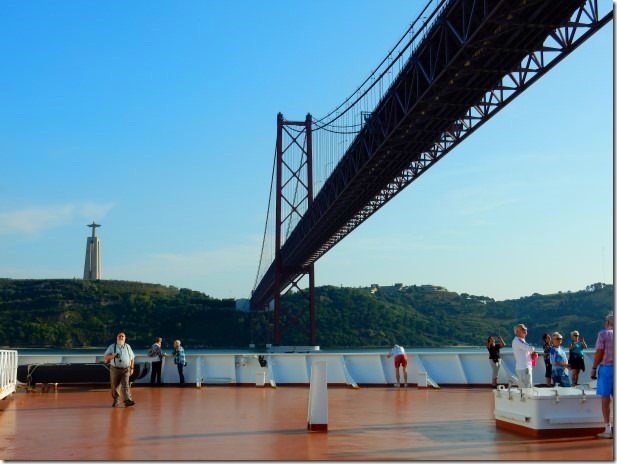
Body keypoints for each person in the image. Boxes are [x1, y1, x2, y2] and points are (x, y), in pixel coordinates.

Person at [591, 312, 613, 439]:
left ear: (607, 322)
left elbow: (599, 352)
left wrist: (594, 367)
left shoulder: (603, 334)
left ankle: (608, 429)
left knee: (605, 399)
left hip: (607, 368)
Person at [103, 331, 136, 408]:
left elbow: (132, 358)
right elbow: (105, 358)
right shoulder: (112, 347)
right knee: (115, 386)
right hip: (115, 369)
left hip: (126, 369)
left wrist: (132, 368)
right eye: (119, 336)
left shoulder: (128, 346)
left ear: (125, 338)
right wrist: (113, 356)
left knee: (126, 385)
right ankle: (116, 400)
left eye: (122, 336)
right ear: (117, 338)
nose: (121, 337)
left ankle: (128, 400)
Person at [512, 323, 535, 388]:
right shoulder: (517, 340)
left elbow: (527, 350)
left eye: (525, 329)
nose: (525, 330)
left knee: (525, 388)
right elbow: (530, 348)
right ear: (517, 332)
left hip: (524, 368)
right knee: (526, 388)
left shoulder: (521, 340)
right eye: (522, 329)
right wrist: (532, 349)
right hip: (524, 368)